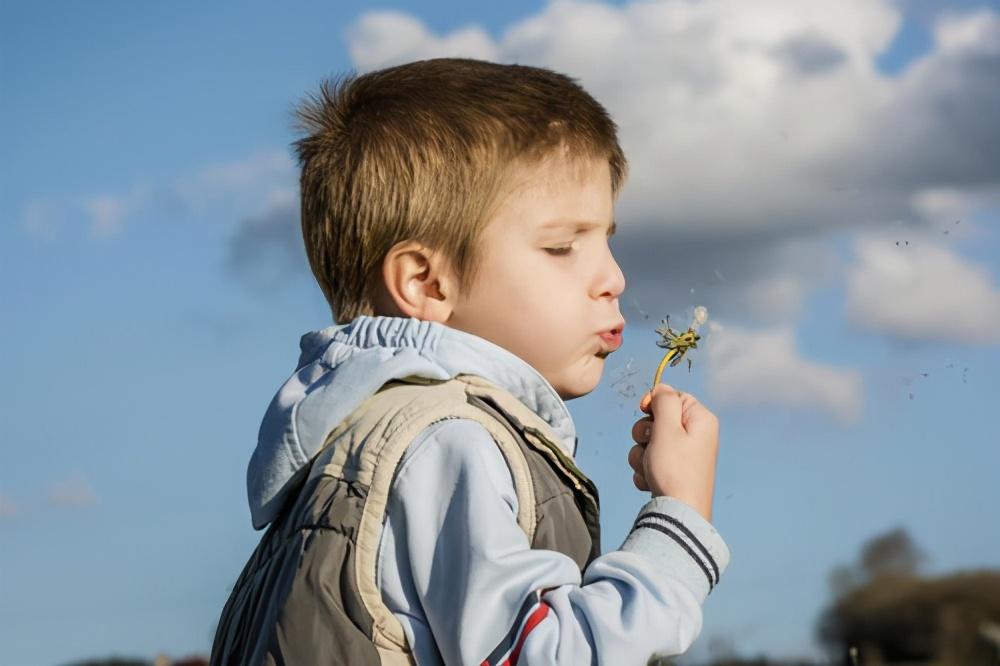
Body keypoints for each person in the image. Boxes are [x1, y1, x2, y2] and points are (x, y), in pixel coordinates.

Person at [210, 57, 730, 666]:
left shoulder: (359, 446)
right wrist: (679, 518)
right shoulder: (446, 442)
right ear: (427, 284)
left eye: (606, 241)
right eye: (562, 247)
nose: (613, 277)